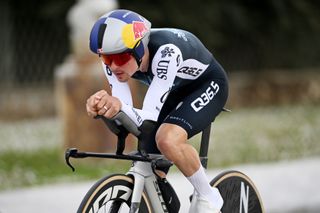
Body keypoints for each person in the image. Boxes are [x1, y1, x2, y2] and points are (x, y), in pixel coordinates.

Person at [86, 9, 228, 213]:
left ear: (138, 50)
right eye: (106, 59)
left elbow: (147, 116)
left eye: (120, 58)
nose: (113, 66)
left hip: (207, 85)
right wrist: (102, 107)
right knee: (150, 163)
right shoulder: (115, 60)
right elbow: (125, 112)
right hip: (174, 88)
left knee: (167, 139)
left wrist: (116, 106)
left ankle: (209, 197)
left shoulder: (166, 53)